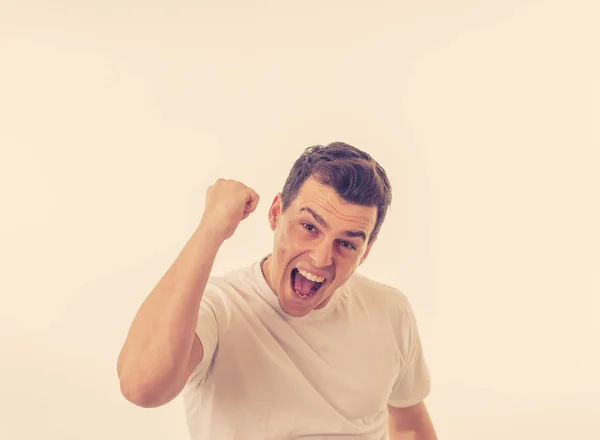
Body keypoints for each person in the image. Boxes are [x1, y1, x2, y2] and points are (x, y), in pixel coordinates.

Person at [117, 142, 437, 439]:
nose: (322, 257)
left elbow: (410, 428)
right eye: (309, 227)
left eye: (347, 243)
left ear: (365, 252)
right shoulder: (217, 308)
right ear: (275, 214)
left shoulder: (390, 310)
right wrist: (211, 229)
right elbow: (142, 386)